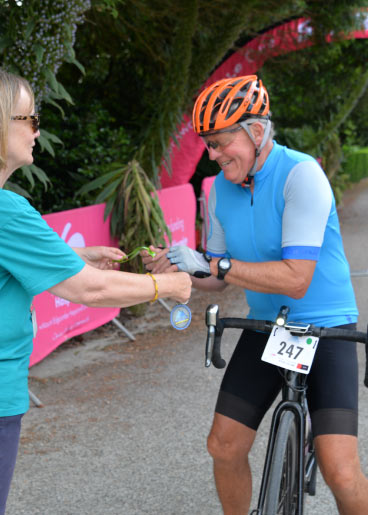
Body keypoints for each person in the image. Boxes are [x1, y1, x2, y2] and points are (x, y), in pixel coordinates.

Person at [0, 67, 191, 515]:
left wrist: (74, 256)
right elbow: (91, 291)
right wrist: (168, 283)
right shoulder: (1, 207)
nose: (37, 130)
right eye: (29, 119)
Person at [143, 74, 367, 514]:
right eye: (208, 144)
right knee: (223, 446)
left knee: (340, 470)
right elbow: (218, 278)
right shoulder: (219, 188)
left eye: (222, 142)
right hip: (270, 328)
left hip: (326, 328)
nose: (213, 154)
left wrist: (215, 263)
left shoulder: (301, 175)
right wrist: (179, 269)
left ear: (257, 132)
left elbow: (296, 279)